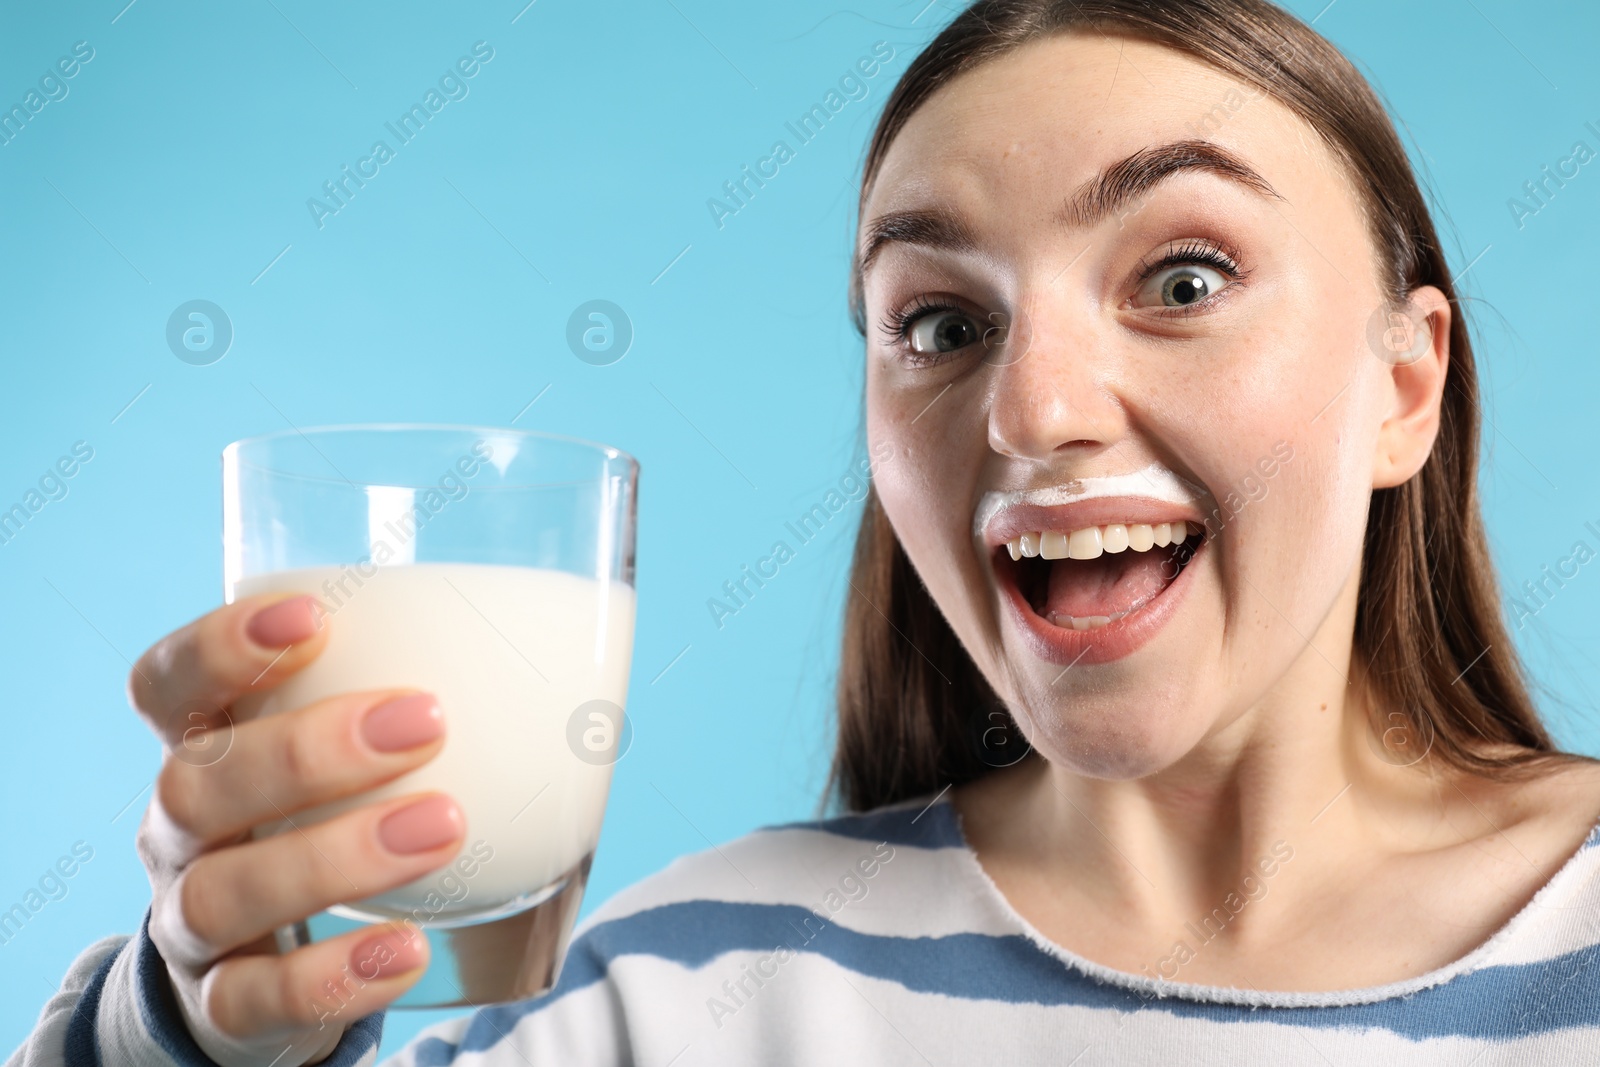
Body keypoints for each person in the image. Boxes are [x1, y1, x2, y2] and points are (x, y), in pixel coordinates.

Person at [13, 1, 1600, 1064]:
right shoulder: (686, 988)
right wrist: (184, 1029)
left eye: (1184, 280)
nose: (1033, 411)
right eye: (936, 322)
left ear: (1406, 386)